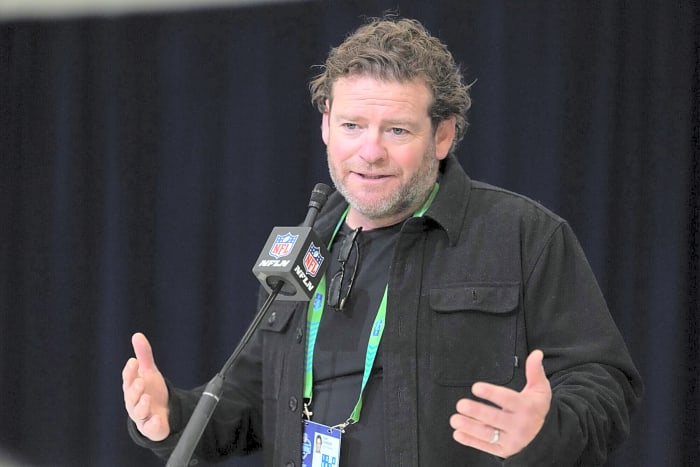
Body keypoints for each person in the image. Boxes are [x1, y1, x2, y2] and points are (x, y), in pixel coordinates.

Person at [123, 16, 643, 466]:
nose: (369, 152)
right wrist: (172, 414)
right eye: (352, 125)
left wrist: (545, 431)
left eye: (396, 130)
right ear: (326, 125)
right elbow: (256, 402)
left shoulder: (523, 235)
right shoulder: (305, 248)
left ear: (443, 135)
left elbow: (605, 387)